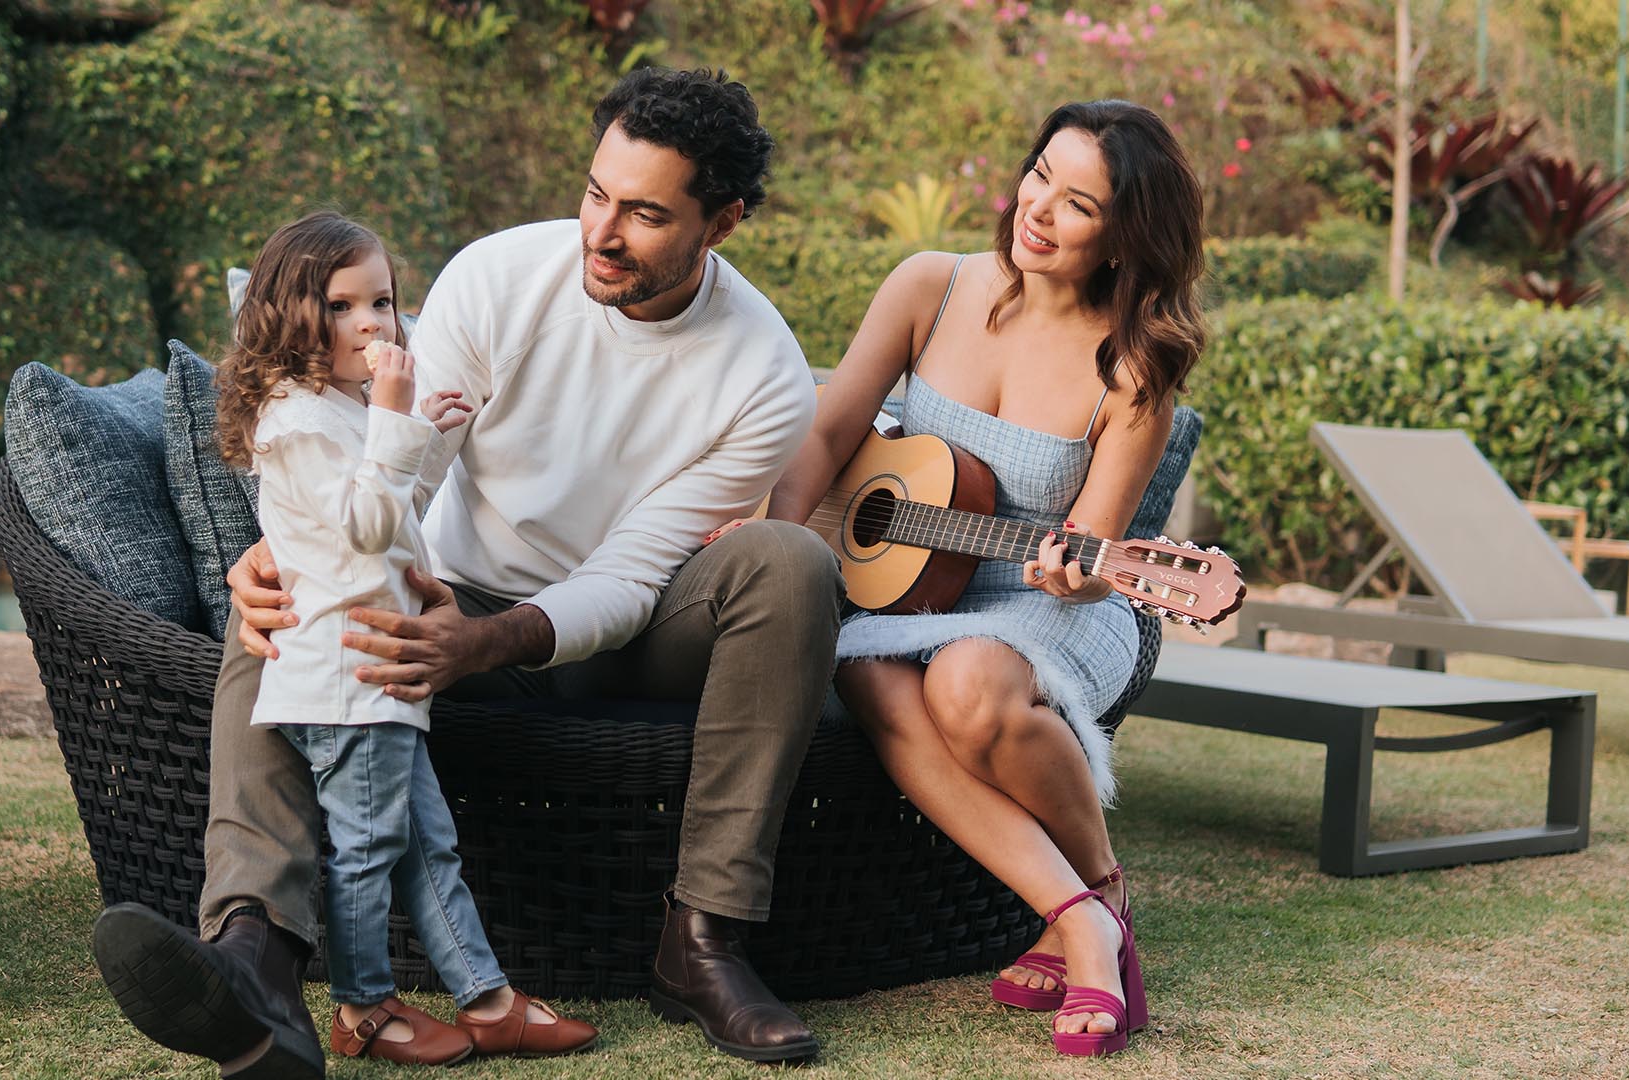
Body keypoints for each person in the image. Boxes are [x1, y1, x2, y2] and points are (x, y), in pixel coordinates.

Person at [92, 67, 845, 1079]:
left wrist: (491, 640)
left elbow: (630, 575)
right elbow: (399, 470)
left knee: (790, 563)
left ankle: (702, 941)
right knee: (281, 606)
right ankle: (256, 957)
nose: (601, 231)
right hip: (447, 592)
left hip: (633, 630)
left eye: (645, 214)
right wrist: (301, 550)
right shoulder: (498, 279)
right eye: (595, 193)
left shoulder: (762, 375)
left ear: (724, 221)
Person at [752, 99, 1206, 1057]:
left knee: (967, 681)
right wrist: (775, 540)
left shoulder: (1132, 372)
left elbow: (1093, 551)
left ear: (1125, 235)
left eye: (1077, 203)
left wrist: (1078, 575)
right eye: (1040, 173)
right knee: (866, 669)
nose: (1037, 208)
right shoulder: (932, 285)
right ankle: (1087, 915)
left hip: (1048, 599)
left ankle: (1097, 892)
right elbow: (834, 434)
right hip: (918, 584)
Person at [203, 209, 598, 1067]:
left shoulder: (336, 410)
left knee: (425, 842)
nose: (373, 323)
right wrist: (393, 412)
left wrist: (428, 427)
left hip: (379, 670)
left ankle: (487, 1000)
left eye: (381, 301)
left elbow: (389, 506)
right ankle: (363, 1006)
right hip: (347, 674)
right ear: (292, 316)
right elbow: (370, 525)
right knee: (373, 845)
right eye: (343, 306)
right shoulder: (298, 420)